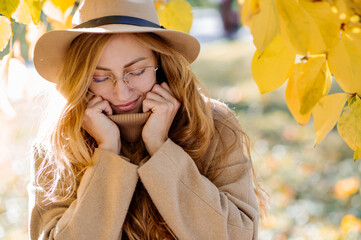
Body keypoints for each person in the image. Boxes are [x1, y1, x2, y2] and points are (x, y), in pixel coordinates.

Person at [28, 0, 268, 239]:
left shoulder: (213, 125)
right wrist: (108, 154)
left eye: (137, 72)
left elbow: (237, 235)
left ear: (161, 63)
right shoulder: (58, 142)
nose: (121, 93)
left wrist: (161, 148)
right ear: (81, 78)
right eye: (100, 77)